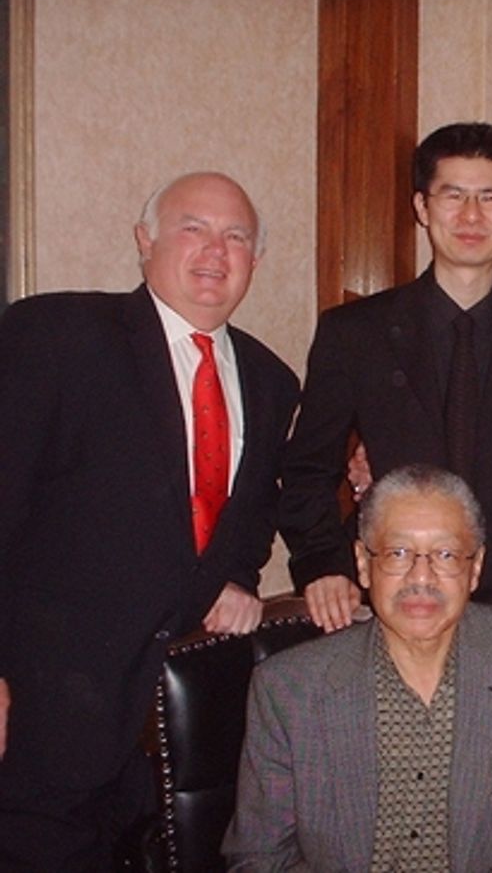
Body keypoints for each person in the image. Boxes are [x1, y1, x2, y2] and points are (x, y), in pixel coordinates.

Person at [0, 172, 299, 869]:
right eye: (193, 228)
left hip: (169, 734)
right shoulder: (57, 335)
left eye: (237, 237)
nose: (215, 251)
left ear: (255, 259)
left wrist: (235, 576)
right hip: (41, 722)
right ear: (146, 239)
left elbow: (250, 513)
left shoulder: (270, 379)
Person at [224, 464, 492, 871]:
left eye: (446, 555)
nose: (422, 576)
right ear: (363, 564)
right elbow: (259, 856)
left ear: (475, 568)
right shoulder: (288, 689)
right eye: (398, 553)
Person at [280, 122, 492, 629]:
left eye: (490, 197)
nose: (470, 215)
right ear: (421, 207)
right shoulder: (355, 332)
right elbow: (307, 469)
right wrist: (325, 565)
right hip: (391, 601)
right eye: (452, 195)